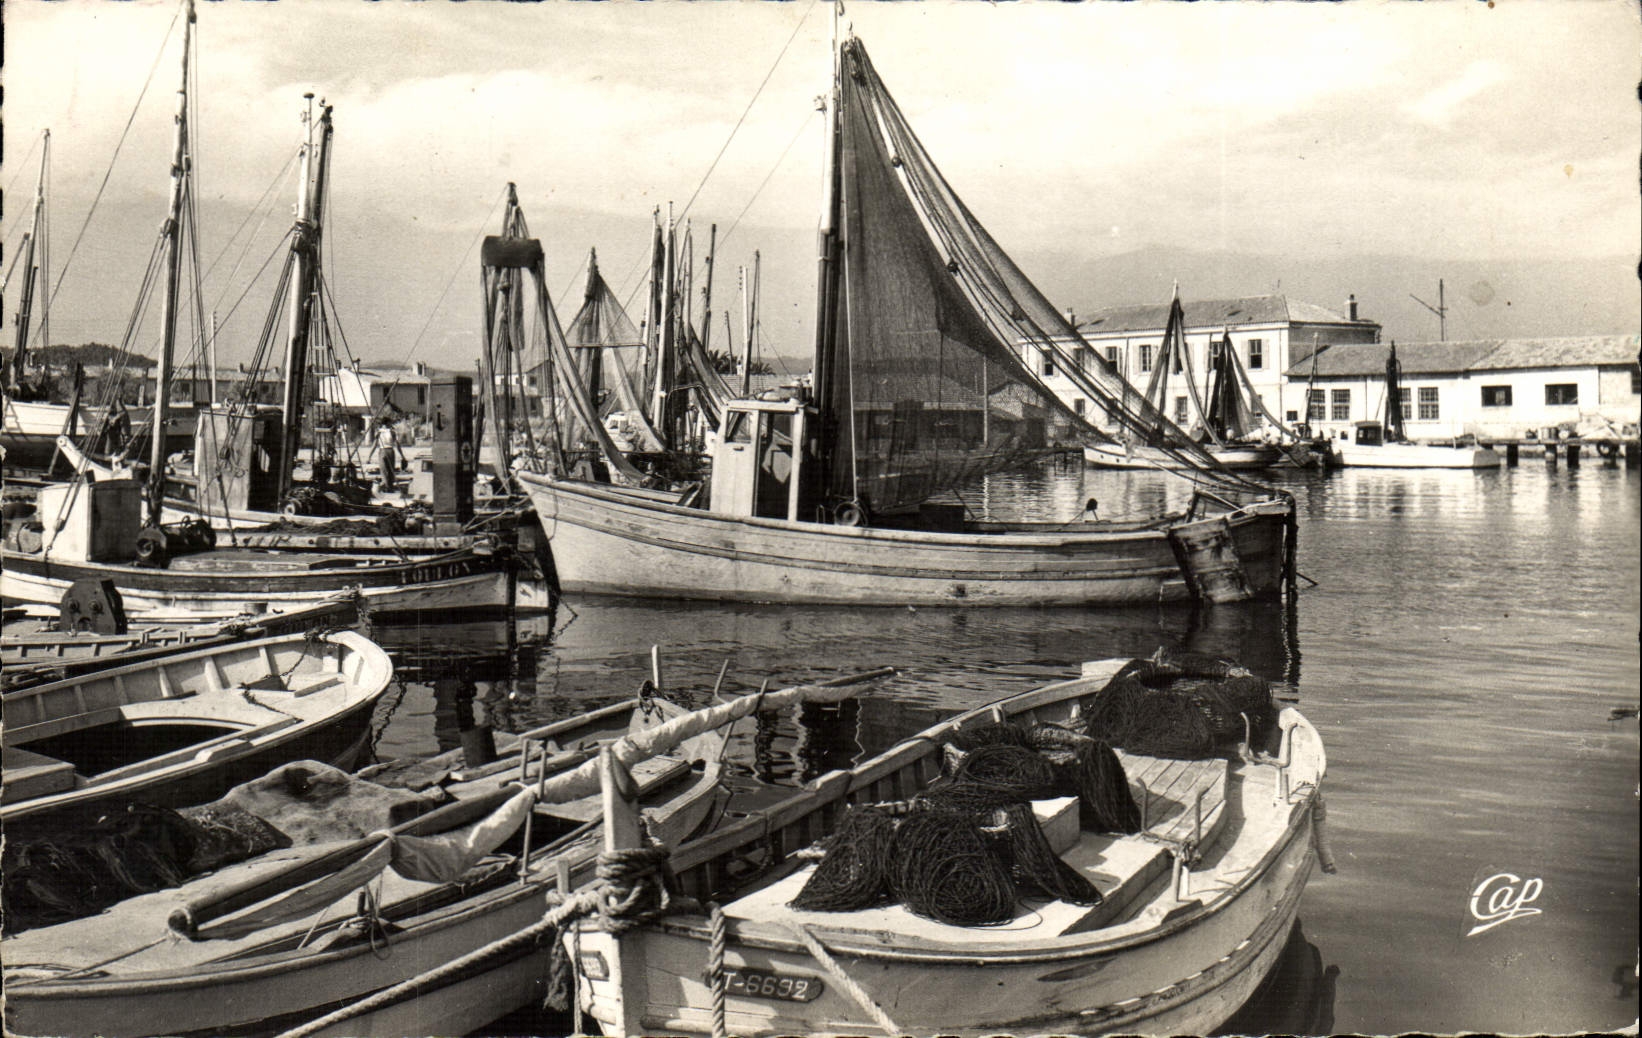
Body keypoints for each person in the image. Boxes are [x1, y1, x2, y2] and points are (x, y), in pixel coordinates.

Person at [374, 415, 404, 492]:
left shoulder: (389, 432)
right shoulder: (380, 432)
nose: (391, 425)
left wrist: (402, 456)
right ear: (387, 423)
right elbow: (374, 444)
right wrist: (402, 456)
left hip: (386, 450)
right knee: (387, 470)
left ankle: (389, 487)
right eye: (390, 423)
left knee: (387, 470)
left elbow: (397, 445)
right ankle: (387, 486)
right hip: (386, 450)